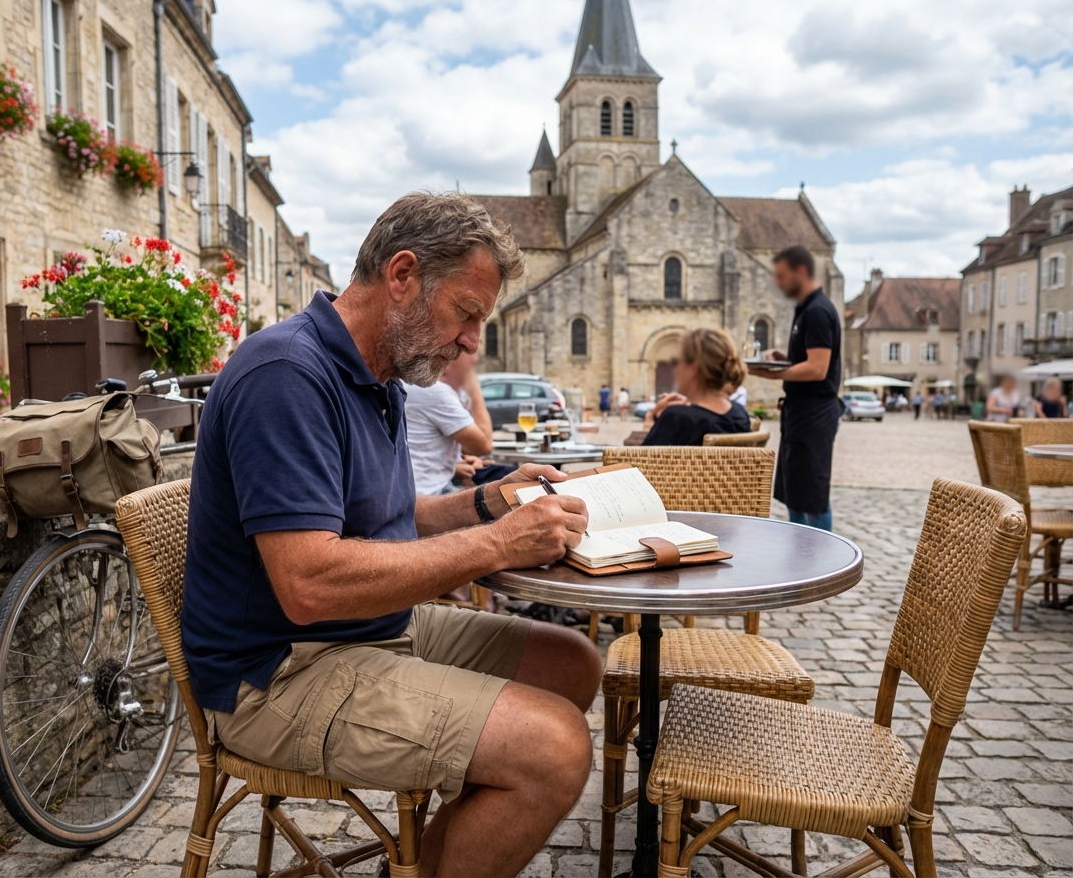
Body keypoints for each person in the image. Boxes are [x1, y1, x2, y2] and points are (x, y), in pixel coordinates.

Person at [182, 191, 601, 877]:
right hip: (278, 674)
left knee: (572, 663)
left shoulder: (379, 377)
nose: (472, 342)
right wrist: (501, 545)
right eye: (467, 314)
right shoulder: (286, 375)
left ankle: (429, 856)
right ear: (402, 276)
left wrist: (490, 502)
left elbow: (393, 520)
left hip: (363, 632)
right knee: (553, 750)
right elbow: (310, 583)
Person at [748, 245, 843, 532]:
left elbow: (817, 368)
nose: (778, 283)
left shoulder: (817, 311)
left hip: (814, 414)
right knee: (796, 494)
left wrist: (774, 375)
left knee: (813, 497)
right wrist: (784, 360)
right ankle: (800, 555)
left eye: (782, 276)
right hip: (800, 413)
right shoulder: (806, 310)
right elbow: (808, 361)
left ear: (800, 272)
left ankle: (822, 562)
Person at [639, 329, 751, 446]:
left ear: (693, 368)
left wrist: (649, 422)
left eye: (678, 362)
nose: (675, 370)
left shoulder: (677, 418)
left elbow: (638, 463)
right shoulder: (739, 414)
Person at [404, 351, 493, 495]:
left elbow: (421, 442)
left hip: (419, 487)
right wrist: (472, 386)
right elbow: (484, 445)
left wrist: (457, 461)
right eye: (467, 352)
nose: (475, 358)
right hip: (428, 493)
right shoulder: (433, 391)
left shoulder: (414, 385)